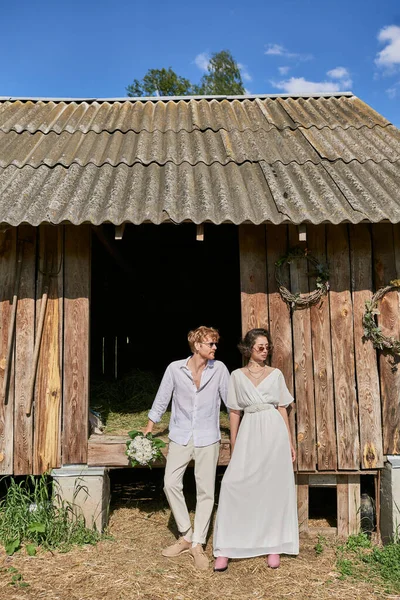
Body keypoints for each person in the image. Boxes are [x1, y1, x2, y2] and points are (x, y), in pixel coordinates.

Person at [213, 328, 298, 572]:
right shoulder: (237, 376)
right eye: (260, 347)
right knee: (233, 484)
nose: (265, 351)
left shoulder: (276, 374)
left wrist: (289, 442)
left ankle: (274, 544)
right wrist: (235, 443)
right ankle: (227, 547)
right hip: (250, 432)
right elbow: (234, 412)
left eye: (267, 347)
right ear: (249, 349)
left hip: (274, 433)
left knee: (273, 487)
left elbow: (282, 407)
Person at [144, 326, 229, 570]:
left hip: (208, 437)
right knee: (170, 483)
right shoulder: (174, 369)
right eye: (211, 344)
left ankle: (198, 544)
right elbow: (162, 398)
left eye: (215, 344)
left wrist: (240, 428)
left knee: (205, 490)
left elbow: (230, 400)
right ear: (197, 346)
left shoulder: (219, 369)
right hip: (180, 435)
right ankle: (186, 534)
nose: (215, 348)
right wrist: (150, 426)